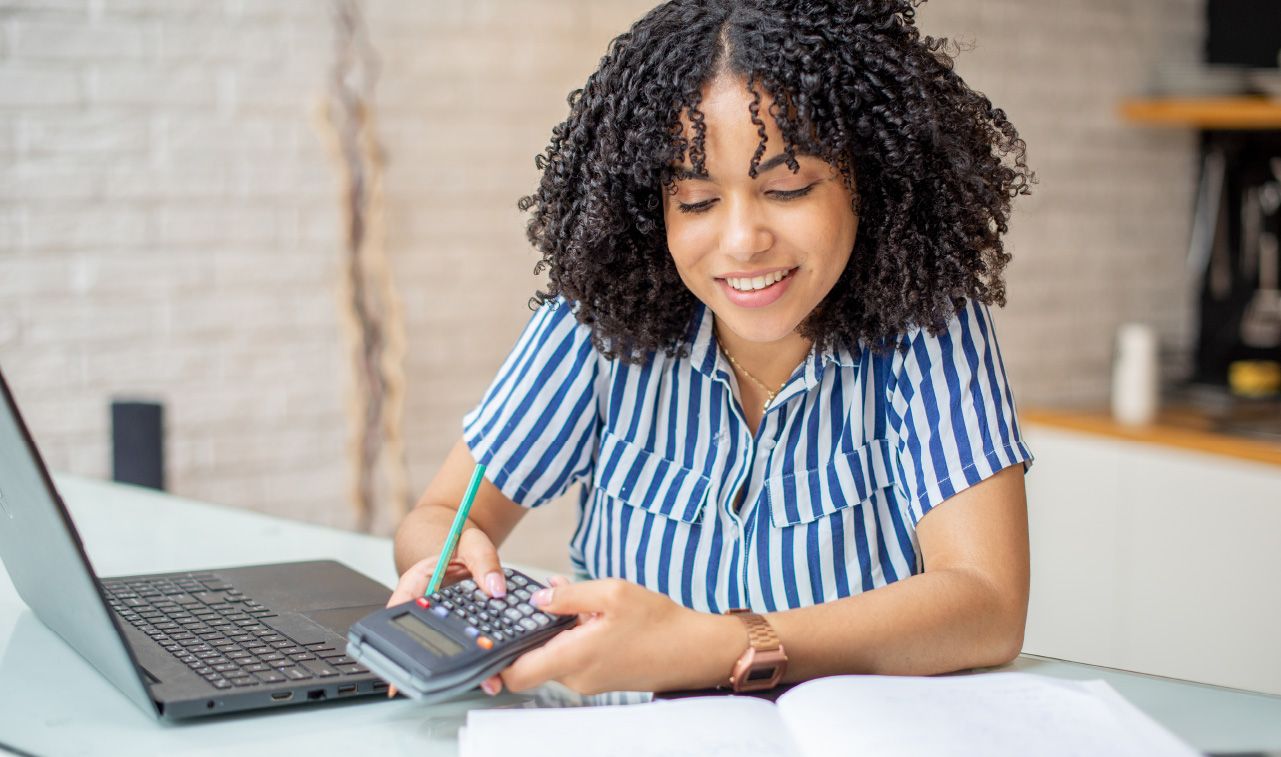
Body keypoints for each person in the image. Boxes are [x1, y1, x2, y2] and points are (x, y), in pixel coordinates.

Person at [390, 0, 1035, 697]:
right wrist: (449, 562)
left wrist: (722, 645)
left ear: (869, 181)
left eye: (786, 187)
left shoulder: (925, 326)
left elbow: (986, 603)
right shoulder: (601, 321)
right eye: (696, 201)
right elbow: (440, 516)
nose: (741, 240)